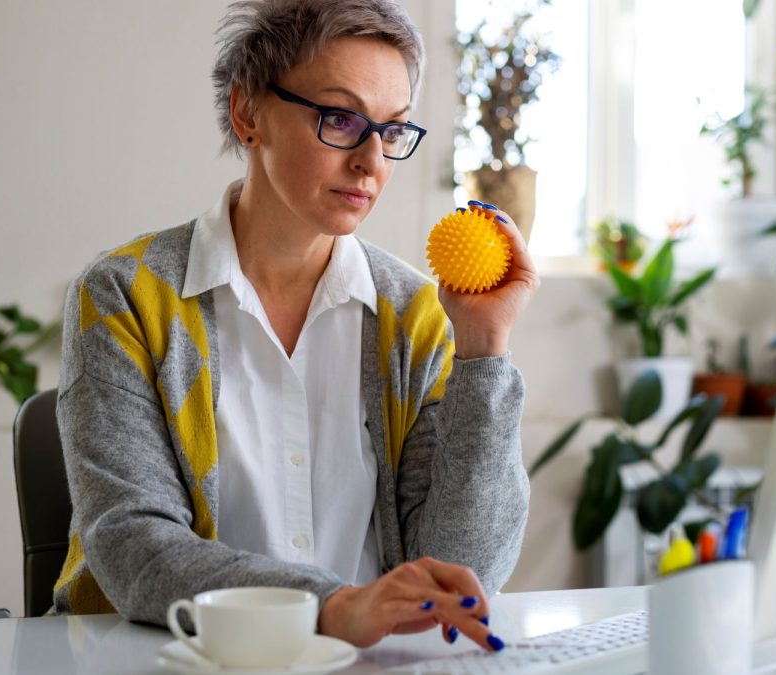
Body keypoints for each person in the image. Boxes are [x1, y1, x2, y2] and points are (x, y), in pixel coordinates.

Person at [50, 0, 538, 652]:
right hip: (167, 659)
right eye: (340, 118)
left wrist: (483, 347)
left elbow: (458, 571)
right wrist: (333, 605)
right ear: (248, 113)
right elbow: (133, 543)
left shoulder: (417, 316)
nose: (372, 162)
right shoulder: (125, 296)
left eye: (391, 130)